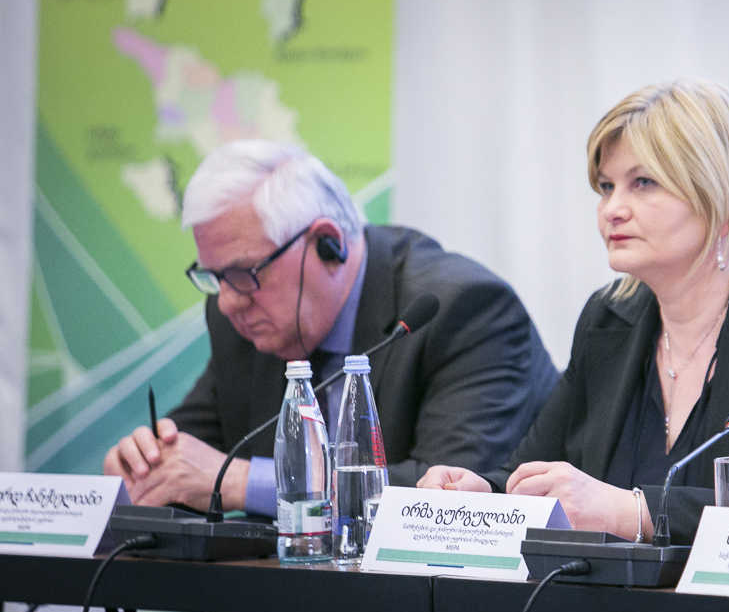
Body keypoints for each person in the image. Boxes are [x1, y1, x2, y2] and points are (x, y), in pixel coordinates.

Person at [417, 79, 729, 544]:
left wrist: (632, 513)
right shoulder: (610, 320)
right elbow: (534, 471)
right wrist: (484, 497)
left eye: (643, 183)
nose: (612, 209)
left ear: (727, 199)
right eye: (606, 187)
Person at [103, 140, 559, 516]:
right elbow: (190, 458)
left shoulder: (461, 310)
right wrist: (143, 465)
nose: (226, 301)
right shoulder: (244, 316)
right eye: (215, 277)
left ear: (328, 244)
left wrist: (243, 482)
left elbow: (448, 501)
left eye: (243, 273)